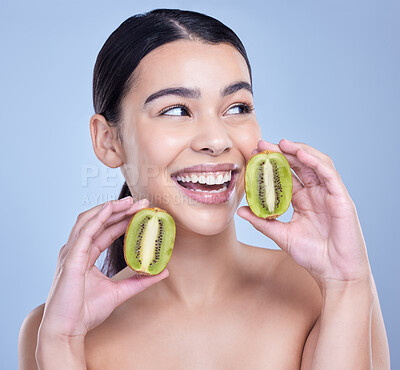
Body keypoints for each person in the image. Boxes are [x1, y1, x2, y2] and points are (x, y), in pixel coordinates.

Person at [19, 8, 390, 369]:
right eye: (177, 110)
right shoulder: (55, 330)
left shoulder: (329, 291)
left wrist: (346, 283)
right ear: (107, 141)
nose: (216, 139)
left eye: (237, 107)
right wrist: (61, 343)